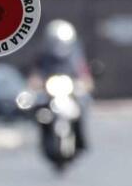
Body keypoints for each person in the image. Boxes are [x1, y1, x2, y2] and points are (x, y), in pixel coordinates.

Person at [29, 18, 92, 150]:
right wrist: (36, 83)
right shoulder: (44, 55)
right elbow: (36, 73)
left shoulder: (75, 54)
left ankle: (80, 139)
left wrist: (85, 82)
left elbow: (83, 72)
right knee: (39, 108)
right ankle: (44, 139)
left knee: (83, 103)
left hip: (70, 90)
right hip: (50, 91)